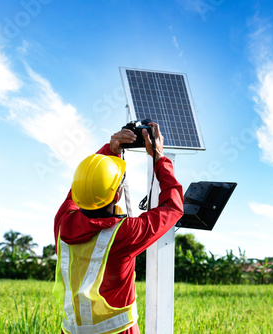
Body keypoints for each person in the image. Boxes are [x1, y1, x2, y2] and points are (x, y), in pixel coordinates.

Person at [53, 123, 183, 334]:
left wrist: (109, 151)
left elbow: (80, 188)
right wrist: (160, 159)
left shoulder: (62, 223)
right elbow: (172, 207)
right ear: (117, 194)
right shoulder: (124, 233)